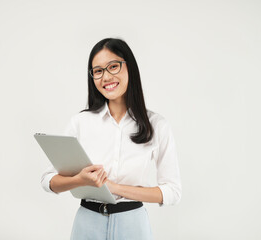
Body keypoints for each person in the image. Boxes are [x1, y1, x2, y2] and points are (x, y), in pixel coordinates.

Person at [41, 38, 182, 240]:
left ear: (129, 67)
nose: (106, 77)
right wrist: (78, 180)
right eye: (98, 71)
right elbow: (48, 181)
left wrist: (114, 188)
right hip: (87, 223)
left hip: (133, 225)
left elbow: (172, 192)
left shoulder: (157, 125)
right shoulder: (80, 122)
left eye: (113, 66)